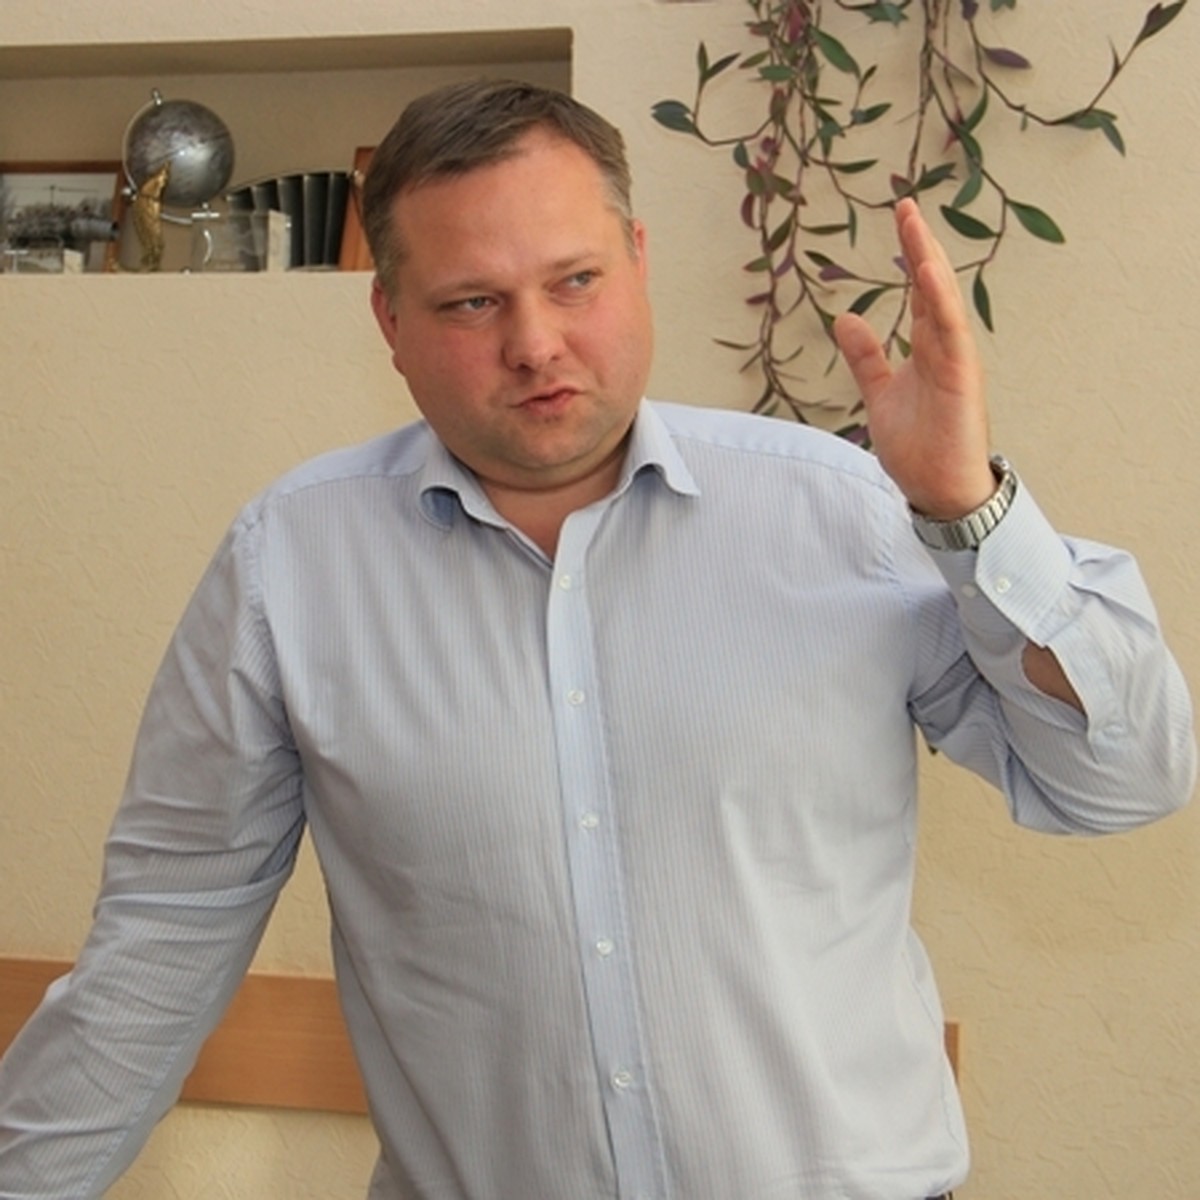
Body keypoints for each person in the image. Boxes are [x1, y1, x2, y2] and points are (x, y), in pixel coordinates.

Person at [0, 78, 1193, 1200]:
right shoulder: (289, 567)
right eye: (473, 302)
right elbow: (160, 949)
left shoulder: (847, 513)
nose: (535, 344)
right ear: (389, 319)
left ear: (638, 262)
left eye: (574, 281)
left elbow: (1124, 778)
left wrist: (969, 511)